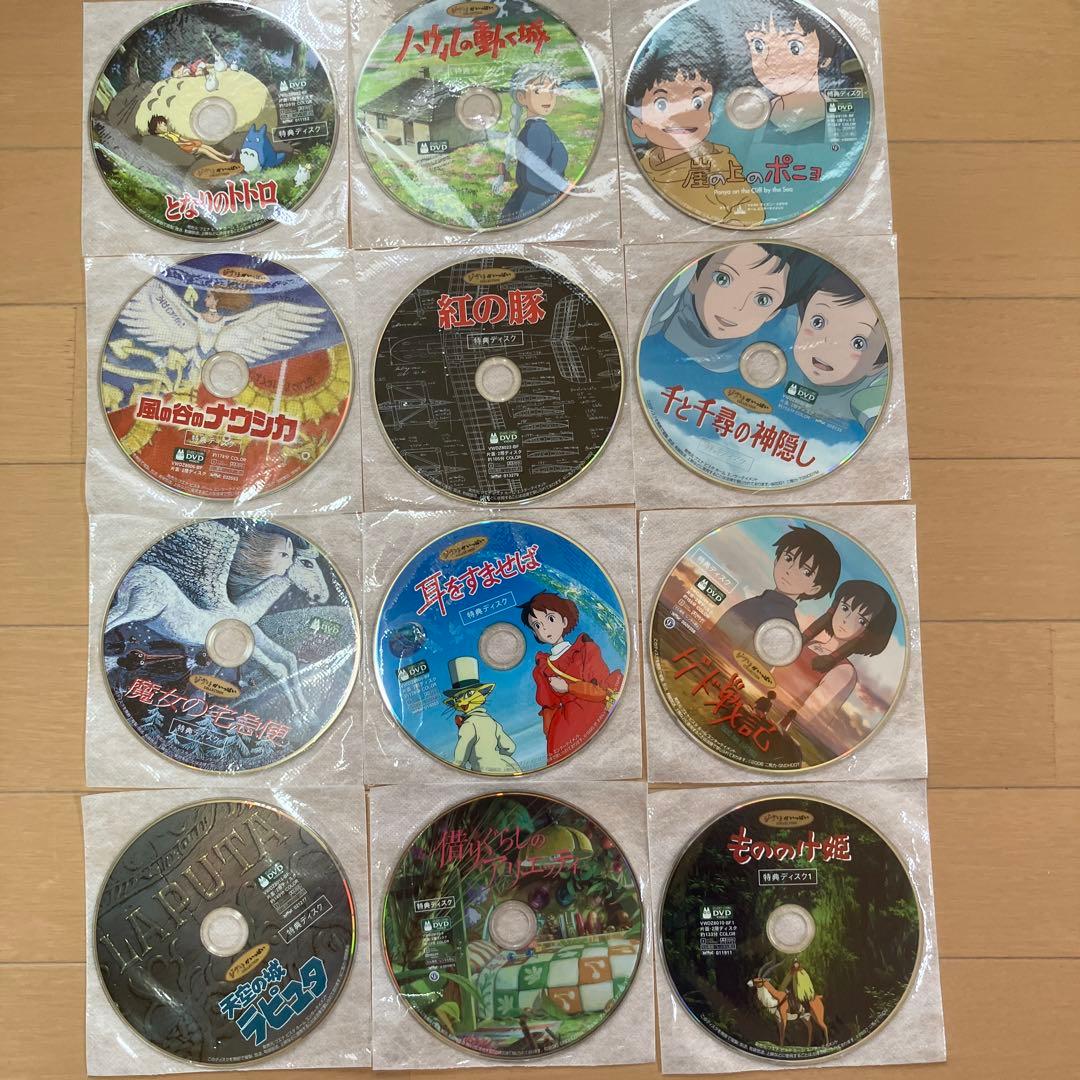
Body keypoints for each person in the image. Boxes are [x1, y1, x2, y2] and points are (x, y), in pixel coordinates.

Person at [626, 30, 764, 226]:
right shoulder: (641, 163)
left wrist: (722, 233)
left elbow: (751, 211)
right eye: (662, 104)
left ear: (710, 118)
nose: (682, 115)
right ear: (639, 126)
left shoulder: (718, 162)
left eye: (697, 102)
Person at [641, 243, 819, 375]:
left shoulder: (789, 340)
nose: (736, 306)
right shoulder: (656, 316)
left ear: (773, 313)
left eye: (762, 299)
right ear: (695, 279)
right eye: (722, 279)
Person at [521, 591, 623, 766]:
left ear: (564, 621)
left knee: (610, 757)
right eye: (537, 625)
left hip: (594, 713)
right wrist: (550, 732)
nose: (544, 628)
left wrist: (569, 688)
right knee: (567, 766)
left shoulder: (585, 649)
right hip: (565, 727)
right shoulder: (542, 668)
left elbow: (601, 690)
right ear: (535, 633)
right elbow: (548, 706)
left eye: (550, 619)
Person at [716, 524, 841, 656]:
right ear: (777, 559)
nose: (790, 570)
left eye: (806, 572)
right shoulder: (762, 603)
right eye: (788, 558)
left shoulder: (784, 622)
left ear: (814, 589)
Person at [791, 267, 889, 430]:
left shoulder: (866, 399)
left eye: (857, 343)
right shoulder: (778, 342)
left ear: (877, 365)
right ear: (799, 323)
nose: (829, 345)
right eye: (818, 322)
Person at [788, 580, 897, 717]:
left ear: (869, 633)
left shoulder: (844, 670)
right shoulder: (810, 644)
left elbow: (808, 716)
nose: (846, 620)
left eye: (861, 620)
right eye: (845, 608)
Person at [494, 64, 569, 225]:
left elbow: (527, 172)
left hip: (534, 203)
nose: (548, 97)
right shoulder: (537, 130)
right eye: (538, 91)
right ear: (522, 98)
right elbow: (532, 176)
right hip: (535, 205)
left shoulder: (533, 129)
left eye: (552, 90)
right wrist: (564, 187)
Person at [443, 656, 520, 774]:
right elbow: (510, 747)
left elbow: (462, 753)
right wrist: (495, 758)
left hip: (485, 770)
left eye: (468, 694)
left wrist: (455, 769)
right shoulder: (492, 722)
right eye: (458, 698)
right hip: (508, 767)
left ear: (482, 694)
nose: (462, 702)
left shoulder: (469, 724)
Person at [146, 115, 234, 163]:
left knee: (205, 146)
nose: (164, 127)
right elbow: (174, 145)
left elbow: (181, 139)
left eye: (164, 125)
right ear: (155, 129)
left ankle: (225, 156)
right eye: (161, 126)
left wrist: (190, 142)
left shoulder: (170, 133)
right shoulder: (163, 137)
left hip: (186, 145)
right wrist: (187, 144)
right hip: (183, 149)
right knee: (204, 150)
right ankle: (222, 161)